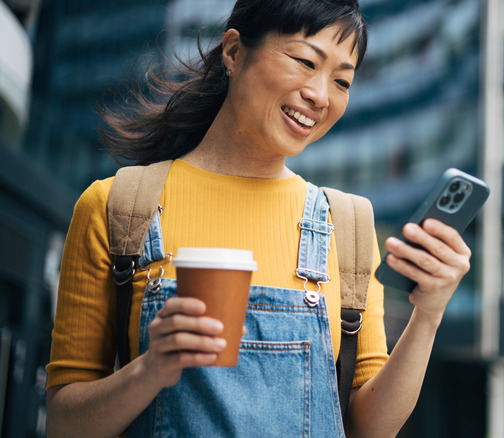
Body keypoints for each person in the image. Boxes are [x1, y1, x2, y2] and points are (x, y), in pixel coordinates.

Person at [45, 0, 472, 436]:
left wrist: (429, 315)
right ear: (233, 52)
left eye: (342, 81)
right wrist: (149, 370)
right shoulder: (118, 207)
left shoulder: (349, 225)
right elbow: (64, 425)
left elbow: (370, 429)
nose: (321, 96)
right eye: (306, 61)